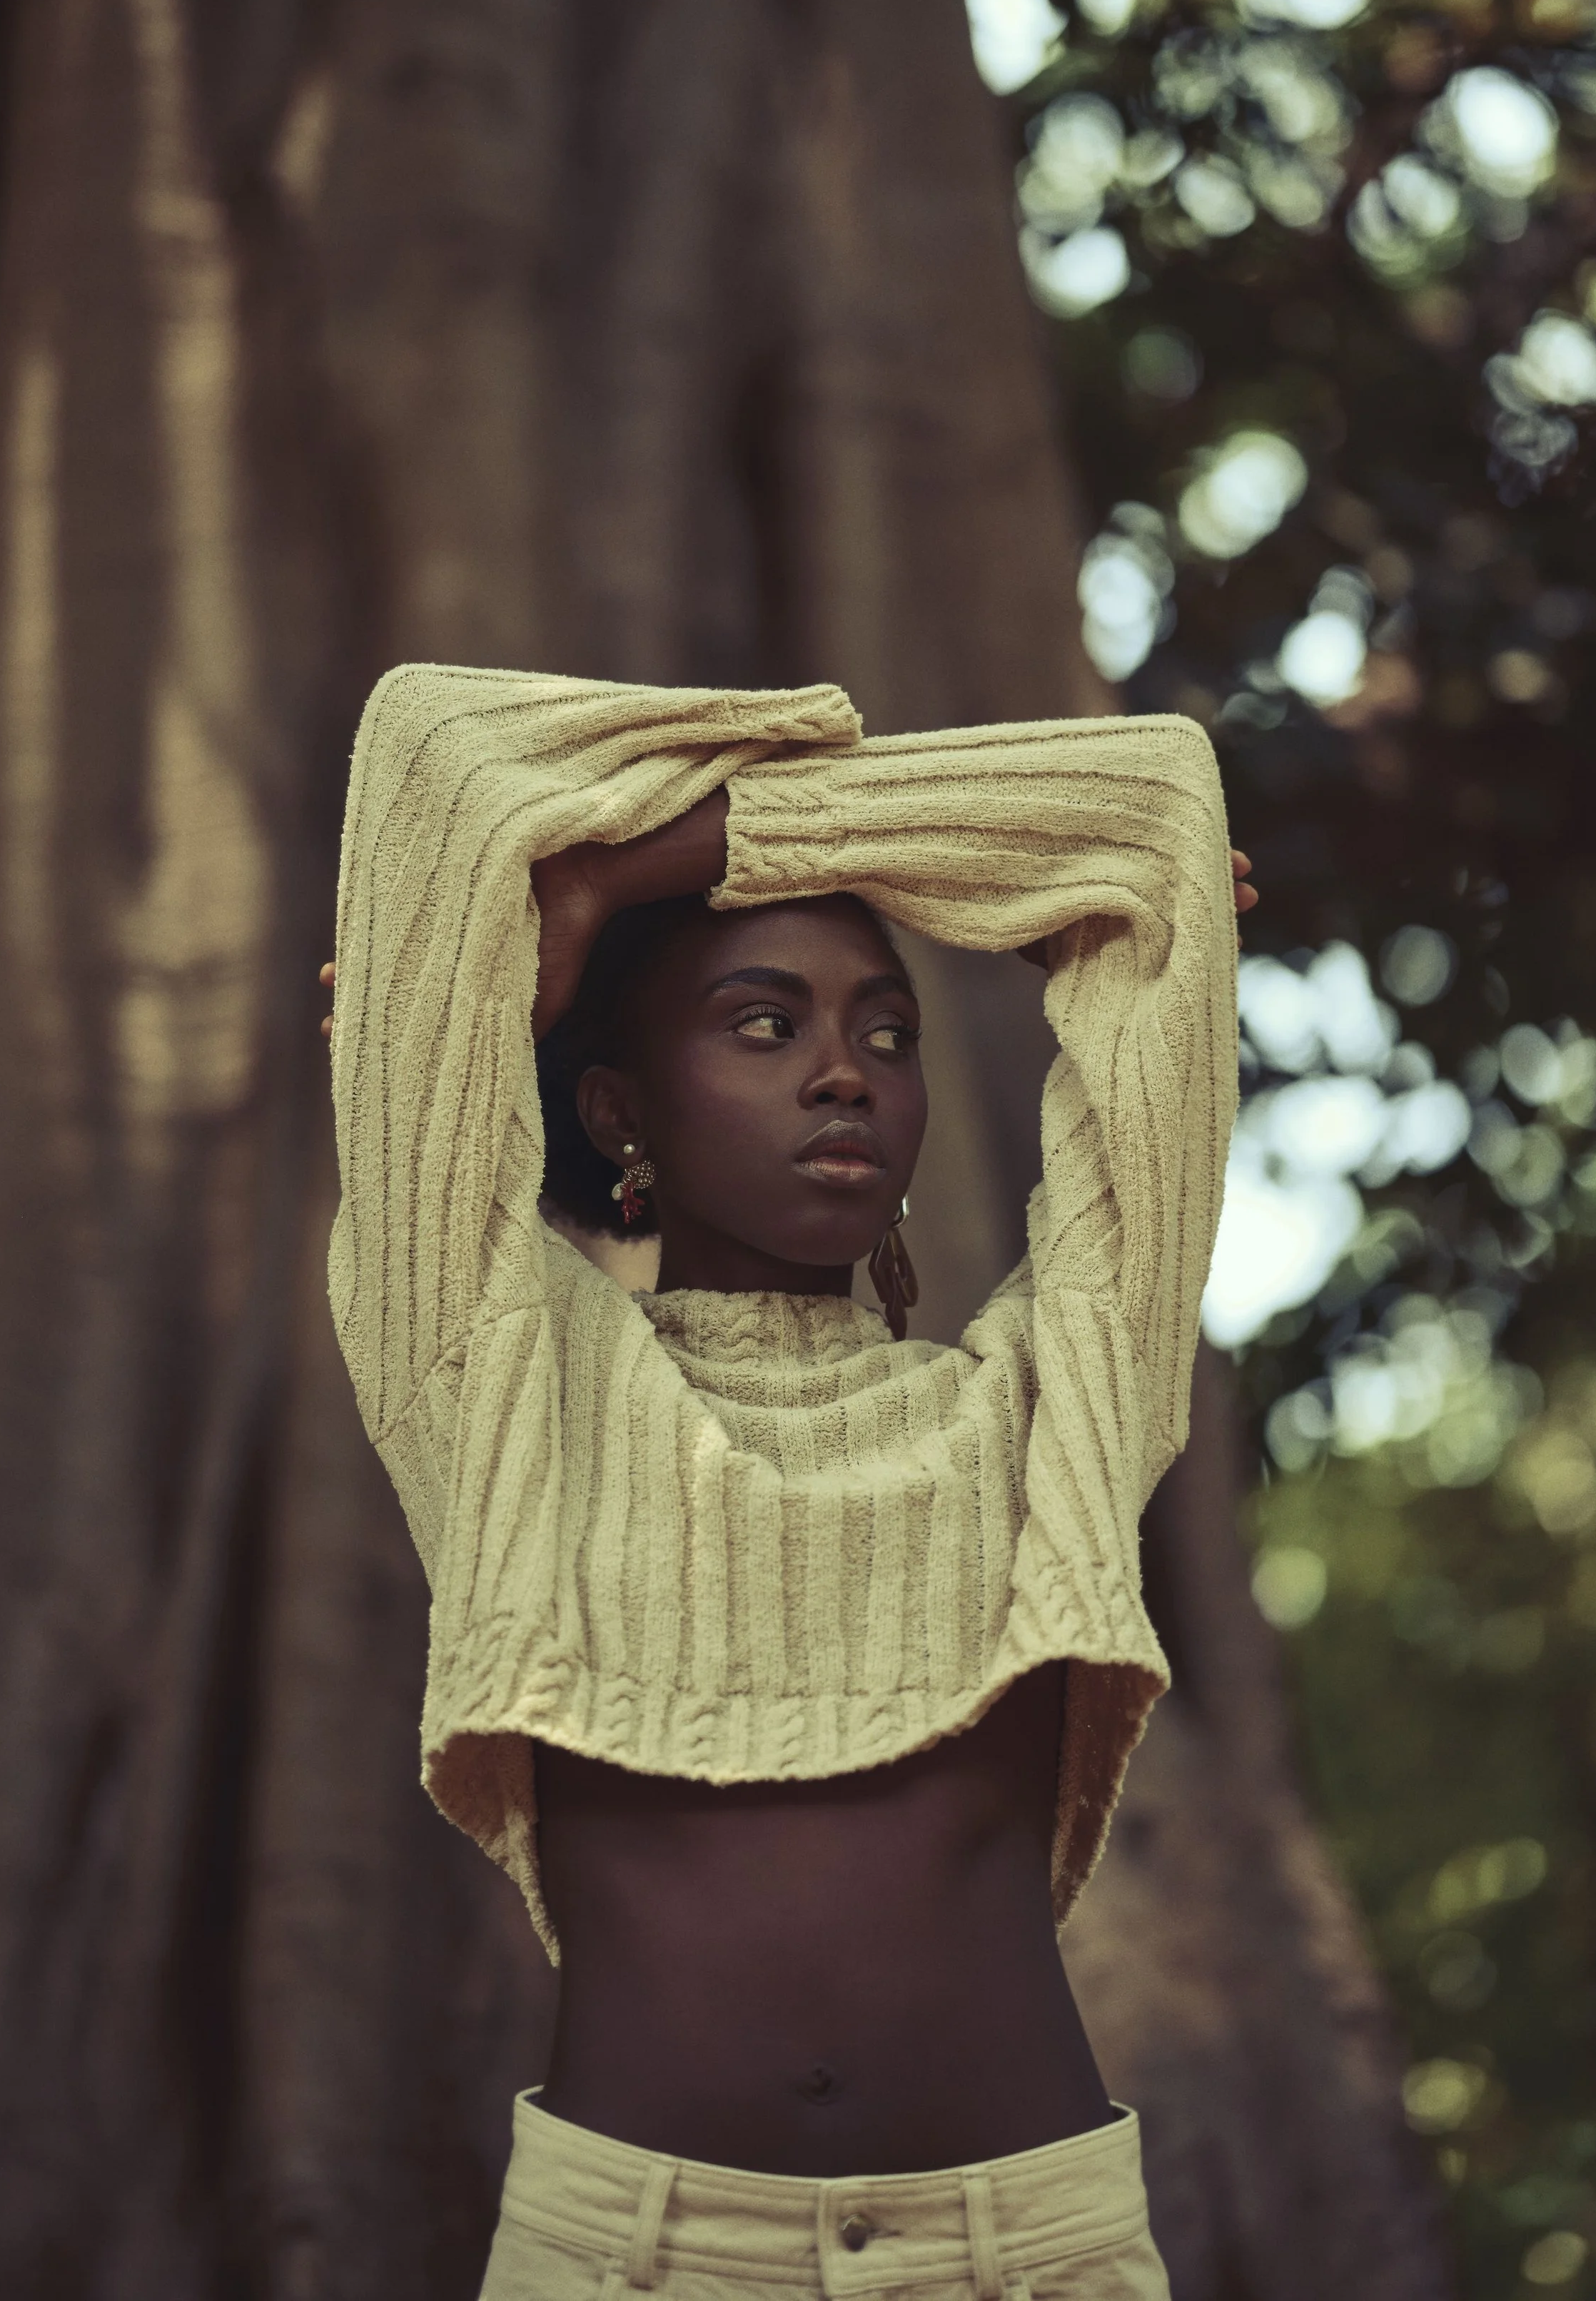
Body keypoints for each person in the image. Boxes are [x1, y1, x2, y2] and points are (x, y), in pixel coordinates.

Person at [323, 665, 1253, 2301]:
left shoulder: (1048, 1406)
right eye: (766, 1024)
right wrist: (579, 914)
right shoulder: (503, 1385)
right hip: (632, 2261)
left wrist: (639, 860)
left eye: (883, 1034)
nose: (846, 1074)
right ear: (616, 1108)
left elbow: (1152, 818)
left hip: (1024, 2257)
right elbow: (435, 759)